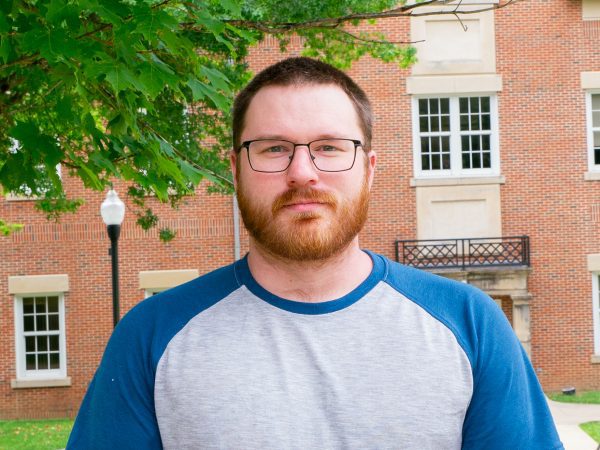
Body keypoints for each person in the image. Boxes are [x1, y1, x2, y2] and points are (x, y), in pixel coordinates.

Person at [67, 57, 563, 449]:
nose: (303, 171)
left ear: (369, 169)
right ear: (235, 170)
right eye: (272, 148)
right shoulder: (151, 335)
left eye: (329, 147)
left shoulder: (470, 325)